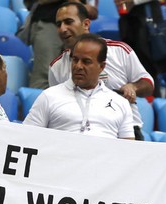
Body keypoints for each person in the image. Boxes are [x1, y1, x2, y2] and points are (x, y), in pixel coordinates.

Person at [49, 1, 153, 139]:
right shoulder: (56, 67)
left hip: (126, 133)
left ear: (86, 24)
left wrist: (133, 87)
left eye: (68, 22)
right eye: (58, 24)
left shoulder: (119, 50)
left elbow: (148, 84)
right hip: (81, 134)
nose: (62, 29)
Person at [24, 33, 134, 140]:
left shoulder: (121, 103)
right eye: (75, 60)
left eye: (86, 62)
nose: (78, 66)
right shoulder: (49, 96)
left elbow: (128, 150)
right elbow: (26, 137)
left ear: (102, 66)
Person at [24, 0, 97, 89]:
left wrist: (84, 7)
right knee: (43, 80)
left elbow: (92, 10)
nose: (63, 28)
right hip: (48, 22)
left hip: (76, 21)